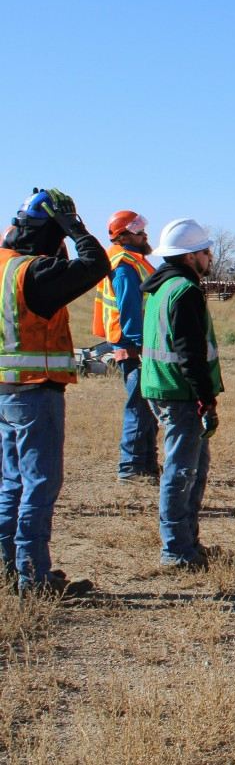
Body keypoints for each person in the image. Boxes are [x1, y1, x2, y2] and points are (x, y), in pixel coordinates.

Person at [0, 189, 109, 596]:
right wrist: (75, 227)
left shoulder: (6, 266)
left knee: (11, 483)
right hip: (34, 392)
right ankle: (34, 579)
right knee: (40, 484)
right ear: (54, 231)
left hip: (5, 390)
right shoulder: (36, 273)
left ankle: (8, 569)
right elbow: (94, 264)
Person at [140, 219, 222, 569]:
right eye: (205, 251)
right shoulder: (184, 291)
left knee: (193, 468)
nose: (209, 257)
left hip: (163, 387)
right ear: (190, 257)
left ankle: (187, 541)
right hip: (180, 393)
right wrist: (205, 398)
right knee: (182, 471)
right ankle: (176, 550)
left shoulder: (162, 287)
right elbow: (190, 352)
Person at [94, 210, 160, 483]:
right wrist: (143, 347)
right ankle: (130, 468)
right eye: (138, 230)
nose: (144, 234)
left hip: (138, 346)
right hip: (134, 347)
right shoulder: (123, 265)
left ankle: (146, 465)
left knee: (146, 408)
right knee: (138, 406)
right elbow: (130, 311)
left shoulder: (133, 260)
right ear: (122, 236)